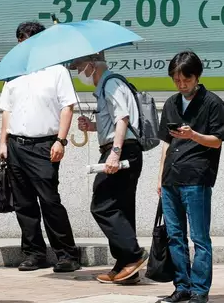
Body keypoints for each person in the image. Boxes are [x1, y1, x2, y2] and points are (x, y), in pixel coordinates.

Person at [0, 21, 80, 273]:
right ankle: (34, 253)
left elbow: (68, 106)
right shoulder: (13, 74)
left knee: (50, 200)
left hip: (45, 145)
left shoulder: (57, 71)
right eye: (20, 42)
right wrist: (3, 143)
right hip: (16, 145)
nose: (23, 46)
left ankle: (66, 254)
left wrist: (61, 140)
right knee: (24, 203)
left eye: (28, 41)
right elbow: (6, 111)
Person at [156, 51, 224, 303]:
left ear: (196, 76)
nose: (181, 84)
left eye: (185, 79)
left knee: (199, 237)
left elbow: (217, 141)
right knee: (175, 236)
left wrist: (194, 135)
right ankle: (182, 287)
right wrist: (159, 178)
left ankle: (199, 290)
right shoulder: (170, 104)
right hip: (170, 179)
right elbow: (165, 143)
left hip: (197, 178)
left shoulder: (213, 103)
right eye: (176, 80)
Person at [70, 52, 149, 284]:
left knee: (102, 205)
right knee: (121, 209)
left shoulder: (111, 83)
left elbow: (122, 118)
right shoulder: (107, 85)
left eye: (79, 67)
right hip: (123, 148)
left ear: (91, 66)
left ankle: (134, 254)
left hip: (121, 151)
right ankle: (126, 267)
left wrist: (114, 153)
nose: (78, 73)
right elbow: (114, 120)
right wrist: (92, 126)